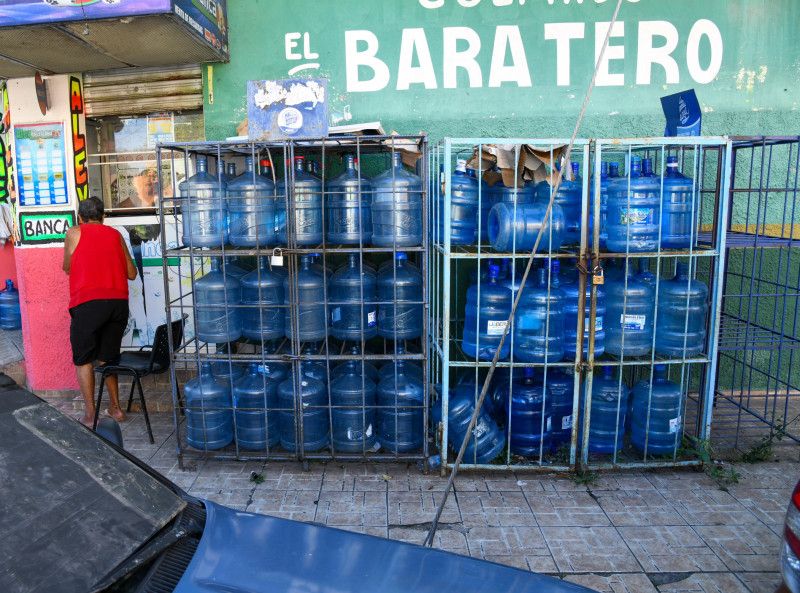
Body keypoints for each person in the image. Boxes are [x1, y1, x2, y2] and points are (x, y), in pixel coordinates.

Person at [63, 196, 137, 426]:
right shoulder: (115, 235)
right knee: (107, 357)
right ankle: (116, 409)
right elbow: (132, 273)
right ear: (103, 216)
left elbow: (67, 267)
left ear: (80, 217)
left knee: (84, 358)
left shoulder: (74, 233)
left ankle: (89, 414)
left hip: (88, 303)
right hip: (117, 304)